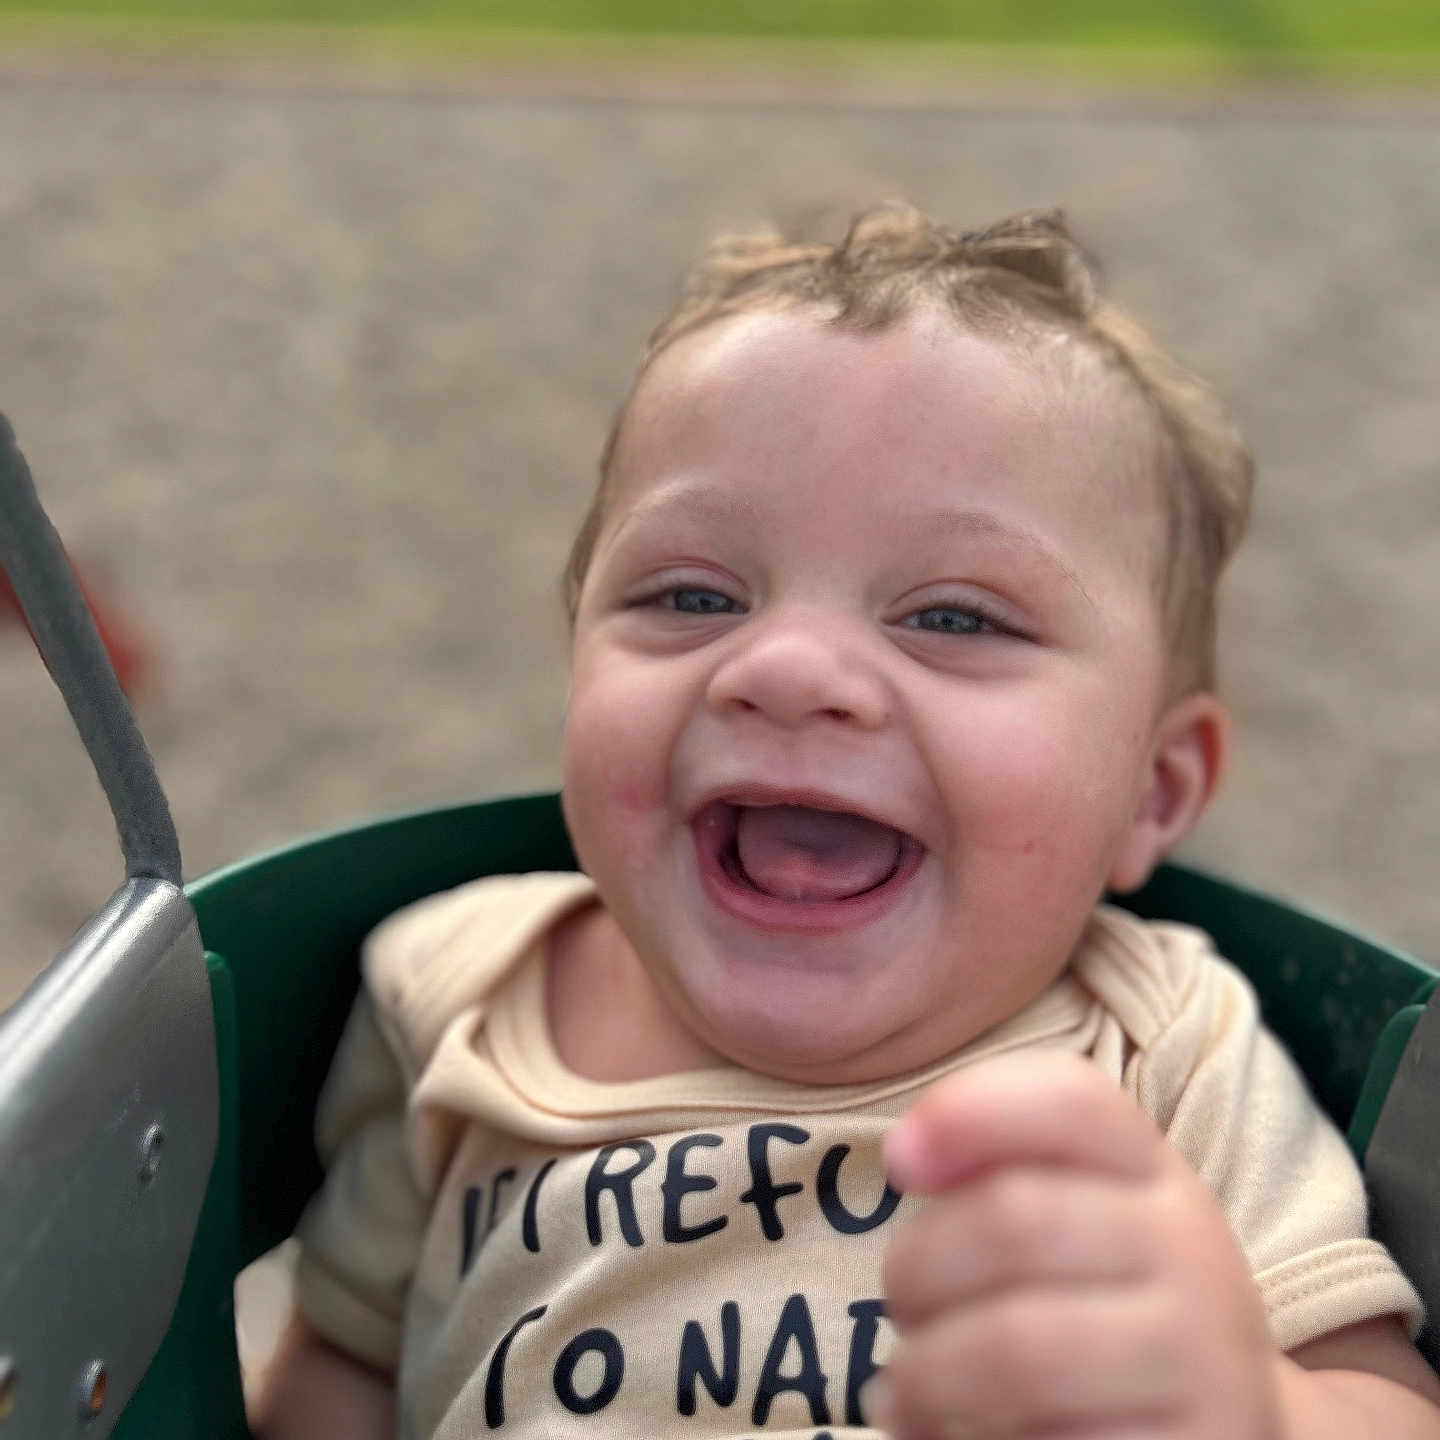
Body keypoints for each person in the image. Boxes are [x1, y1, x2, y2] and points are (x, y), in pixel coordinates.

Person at [253, 206, 1440, 1439]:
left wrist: (1248, 1411)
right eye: (691, 593)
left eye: (955, 618)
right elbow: (337, 1380)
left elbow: (1387, 1408)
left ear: (1153, 789)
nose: (787, 666)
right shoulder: (454, 992)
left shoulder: (1166, 1051)